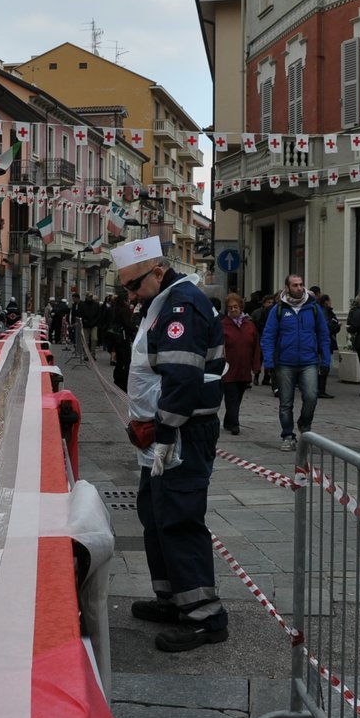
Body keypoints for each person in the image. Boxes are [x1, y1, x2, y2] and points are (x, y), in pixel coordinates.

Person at [116, 236, 228, 652]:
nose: (129, 294)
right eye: (124, 287)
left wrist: (164, 432)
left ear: (158, 272)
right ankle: (173, 597)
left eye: (133, 285)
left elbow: (182, 378)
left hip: (180, 432)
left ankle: (205, 617)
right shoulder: (160, 303)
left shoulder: (181, 306)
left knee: (179, 519)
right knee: (155, 514)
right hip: (162, 431)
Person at [260, 273, 330, 451]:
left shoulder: (313, 308)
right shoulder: (279, 310)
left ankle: (304, 424)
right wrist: (268, 362)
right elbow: (268, 336)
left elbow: (323, 335)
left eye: (301, 285)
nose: (299, 288)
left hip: (309, 361)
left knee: (311, 396)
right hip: (285, 362)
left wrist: (326, 359)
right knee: (286, 403)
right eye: (295, 285)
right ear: (287, 287)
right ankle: (288, 435)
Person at [219, 292, 258, 435]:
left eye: (236, 307)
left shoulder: (249, 325)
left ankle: (229, 420)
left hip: (244, 368)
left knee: (239, 396)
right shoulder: (223, 325)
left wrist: (256, 366)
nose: (233, 310)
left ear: (241, 307)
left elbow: (255, 346)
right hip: (228, 368)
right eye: (230, 308)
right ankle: (234, 424)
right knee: (231, 397)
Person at [315, 293, 340, 397]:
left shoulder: (319, 310)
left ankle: (318, 389)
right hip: (324, 342)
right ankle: (320, 390)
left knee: (319, 365)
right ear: (326, 302)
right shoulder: (324, 312)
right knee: (324, 365)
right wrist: (336, 327)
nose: (331, 302)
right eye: (329, 300)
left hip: (319, 342)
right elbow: (326, 328)